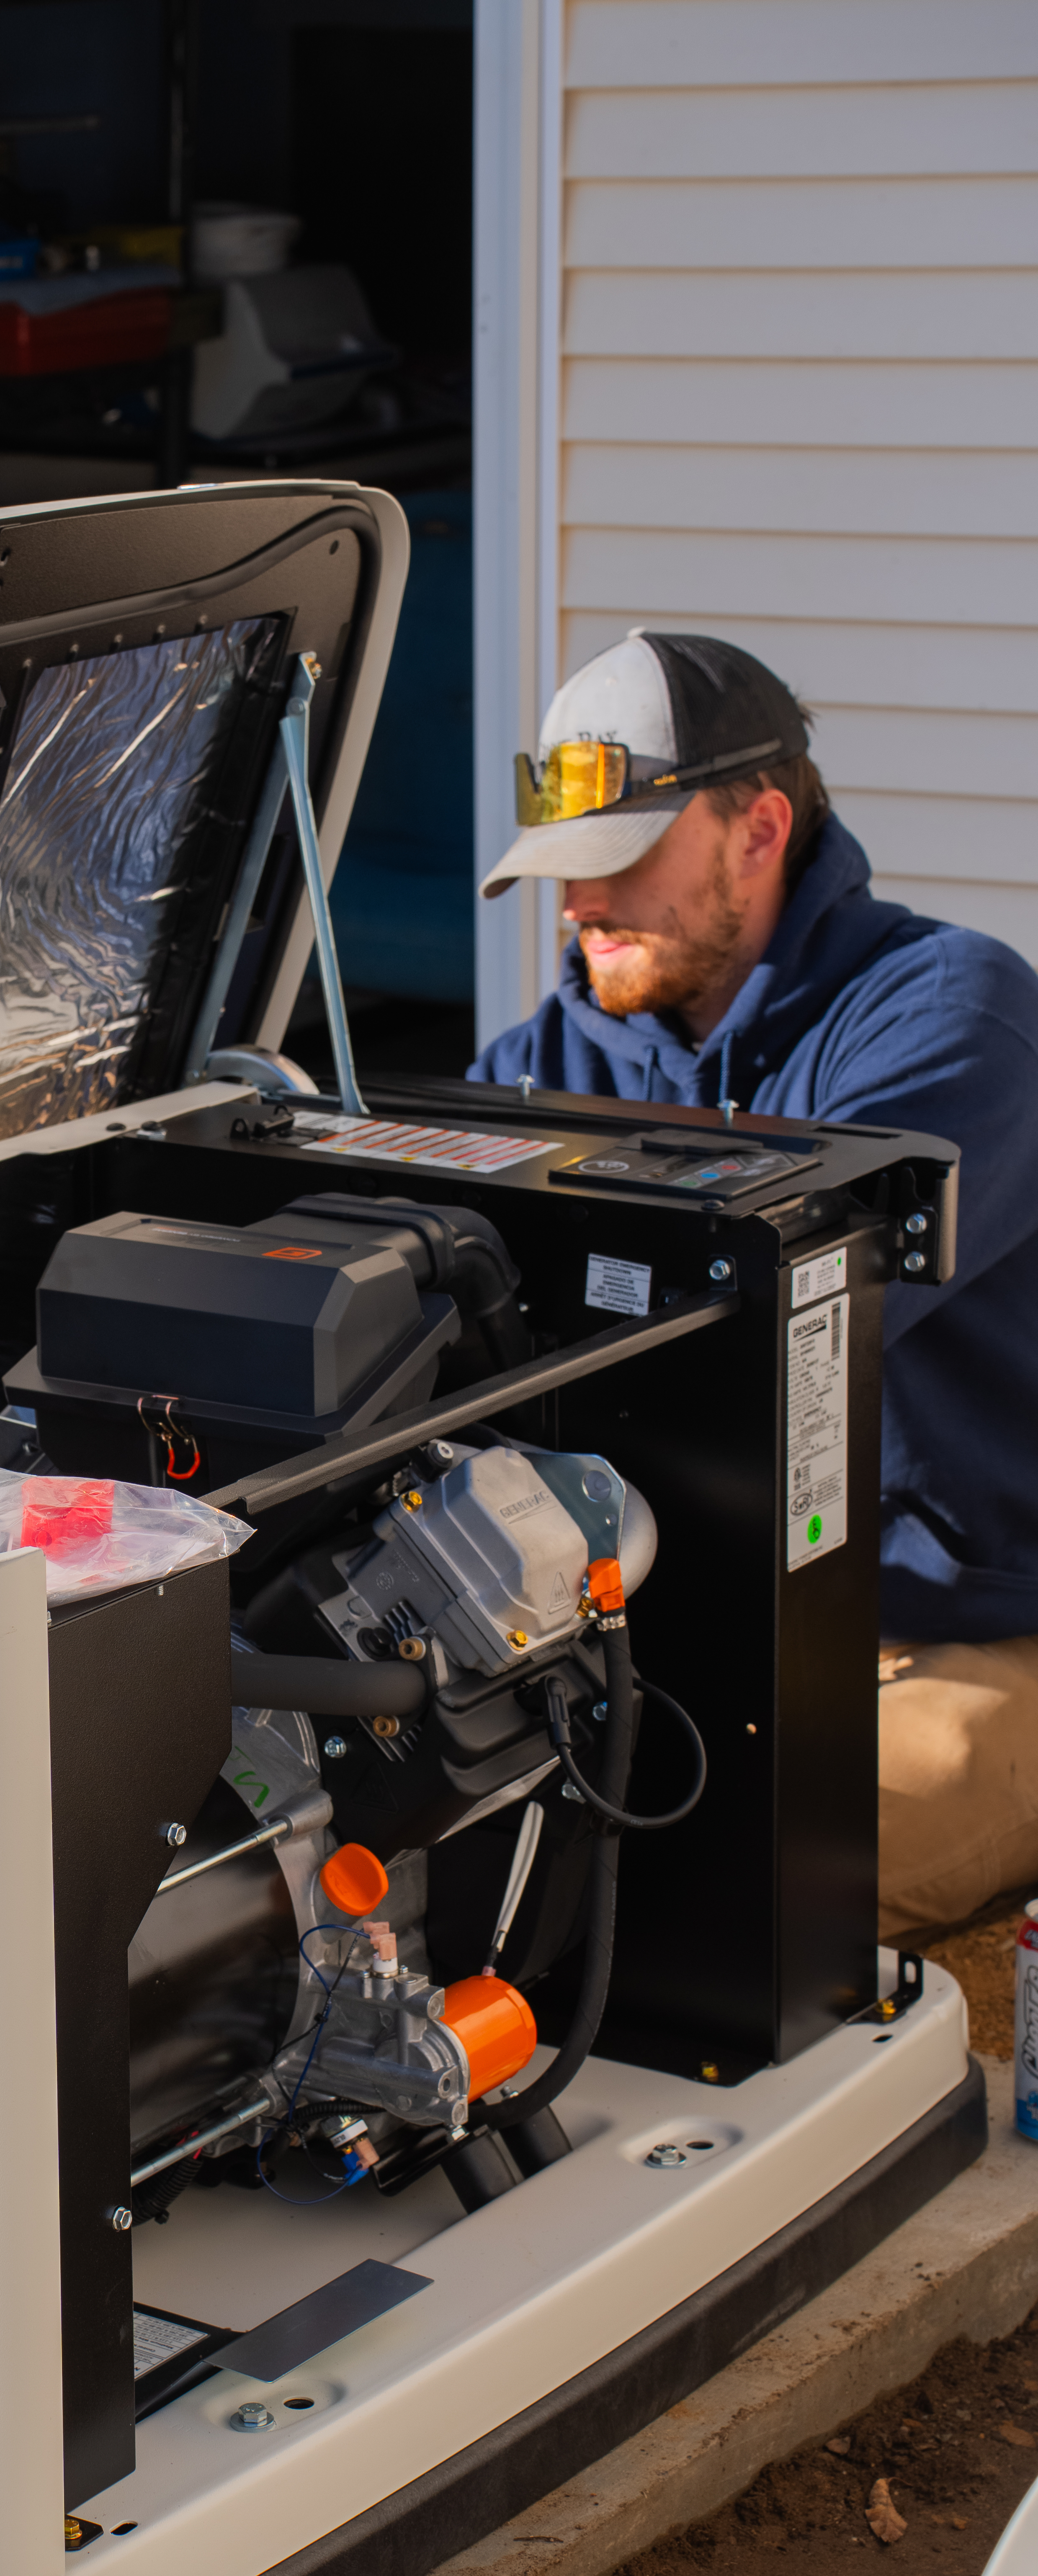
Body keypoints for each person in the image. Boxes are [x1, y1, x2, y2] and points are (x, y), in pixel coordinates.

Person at [471, 630, 1038, 1944]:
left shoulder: (952, 1018)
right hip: (702, 1632)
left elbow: (765, 1313)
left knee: (758, 1877)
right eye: (560, 871)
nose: (576, 909)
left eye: (614, 864)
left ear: (758, 828)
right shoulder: (545, 1063)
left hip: (965, 1627)